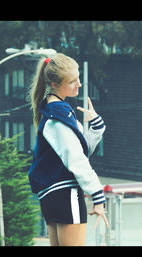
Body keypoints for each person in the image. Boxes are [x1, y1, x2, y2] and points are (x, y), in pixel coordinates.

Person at [28, 53, 108, 246]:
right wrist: (98, 195)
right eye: (72, 81)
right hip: (65, 193)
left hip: (53, 195)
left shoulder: (52, 110)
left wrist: (96, 126)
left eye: (78, 78)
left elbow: (80, 151)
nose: (79, 84)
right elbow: (75, 158)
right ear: (54, 84)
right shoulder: (58, 117)